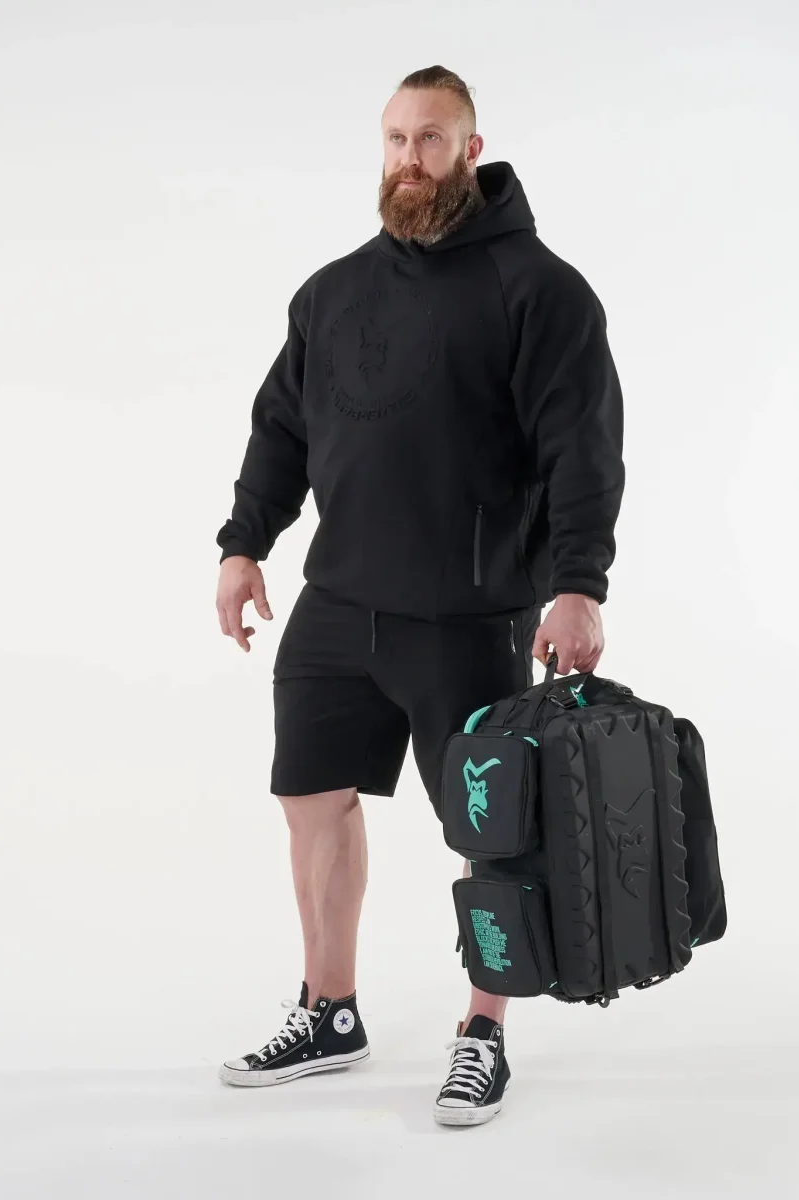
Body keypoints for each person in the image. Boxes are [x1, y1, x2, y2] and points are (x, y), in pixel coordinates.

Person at [213, 65, 625, 1126]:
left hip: (471, 611)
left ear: (471, 150)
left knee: (494, 833)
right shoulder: (333, 292)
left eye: (431, 140)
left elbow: (582, 451)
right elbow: (282, 427)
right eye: (396, 139)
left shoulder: (540, 291)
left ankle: (483, 1031)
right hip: (340, 602)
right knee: (310, 797)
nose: (410, 159)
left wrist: (577, 586)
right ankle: (330, 1009)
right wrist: (245, 543)